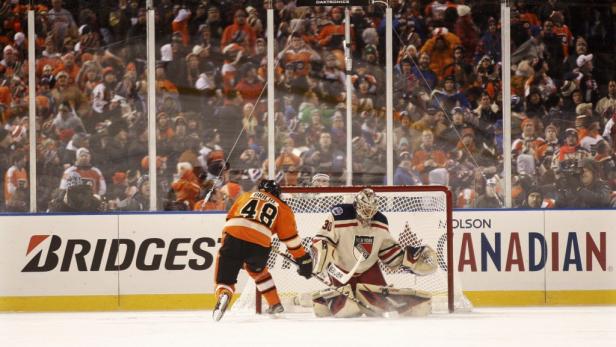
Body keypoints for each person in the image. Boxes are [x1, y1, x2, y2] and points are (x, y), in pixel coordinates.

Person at [309, 188, 437, 318]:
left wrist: (410, 261)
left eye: (371, 209)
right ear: (356, 205)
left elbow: (388, 251)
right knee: (348, 309)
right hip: (341, 270)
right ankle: (321, 300)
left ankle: (331, 299)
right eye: (364, 208)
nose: (368, 213)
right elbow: (322, 240)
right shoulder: (339, 215)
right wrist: (317, 259)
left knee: (381, 302)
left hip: (368, 269)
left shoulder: (381, 221)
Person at [212, 180, 312, 321]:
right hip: (259, 244)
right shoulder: (283, 207)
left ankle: (224, 293)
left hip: (234, 236)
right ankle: (275, 304)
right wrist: (303, 259)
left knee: (225, 279)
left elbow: (230, 219)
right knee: (258, 272)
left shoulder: (246, 196)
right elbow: (291, 239)